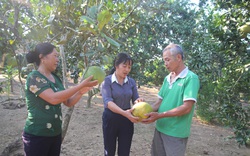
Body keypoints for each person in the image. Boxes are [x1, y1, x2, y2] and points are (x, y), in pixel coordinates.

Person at [22, 42, 98, 156]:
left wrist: (80, 92)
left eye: (58, 56)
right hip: (37, 135)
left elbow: (67, 102)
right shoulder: (34, 77)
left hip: (55, 134)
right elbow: (53, 99)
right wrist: (79, 86)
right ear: (42, 57)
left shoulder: (55, 78)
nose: (58, 59)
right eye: (55, 56)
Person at [142, 43, 200, 156]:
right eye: (164, 61)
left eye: (167, 60)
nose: (165, 64)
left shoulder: (190, 78)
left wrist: (160, 115)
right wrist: (143, 110)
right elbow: (159, 102)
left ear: (178, 57)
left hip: (175, 133)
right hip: (160, 129)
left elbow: (186, 108)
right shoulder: (167, 78)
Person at [101, 53, 143, 156]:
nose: (127, 70)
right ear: (116, 66)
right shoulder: (107, 81)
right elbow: (108, 102)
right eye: (124, 66)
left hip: (127, 120)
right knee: (109, 150)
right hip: (111, 118)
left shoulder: (131, 82)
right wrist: (124, 113)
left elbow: (135, 98)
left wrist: (139, 101)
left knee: (124, 151)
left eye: (129, 67)